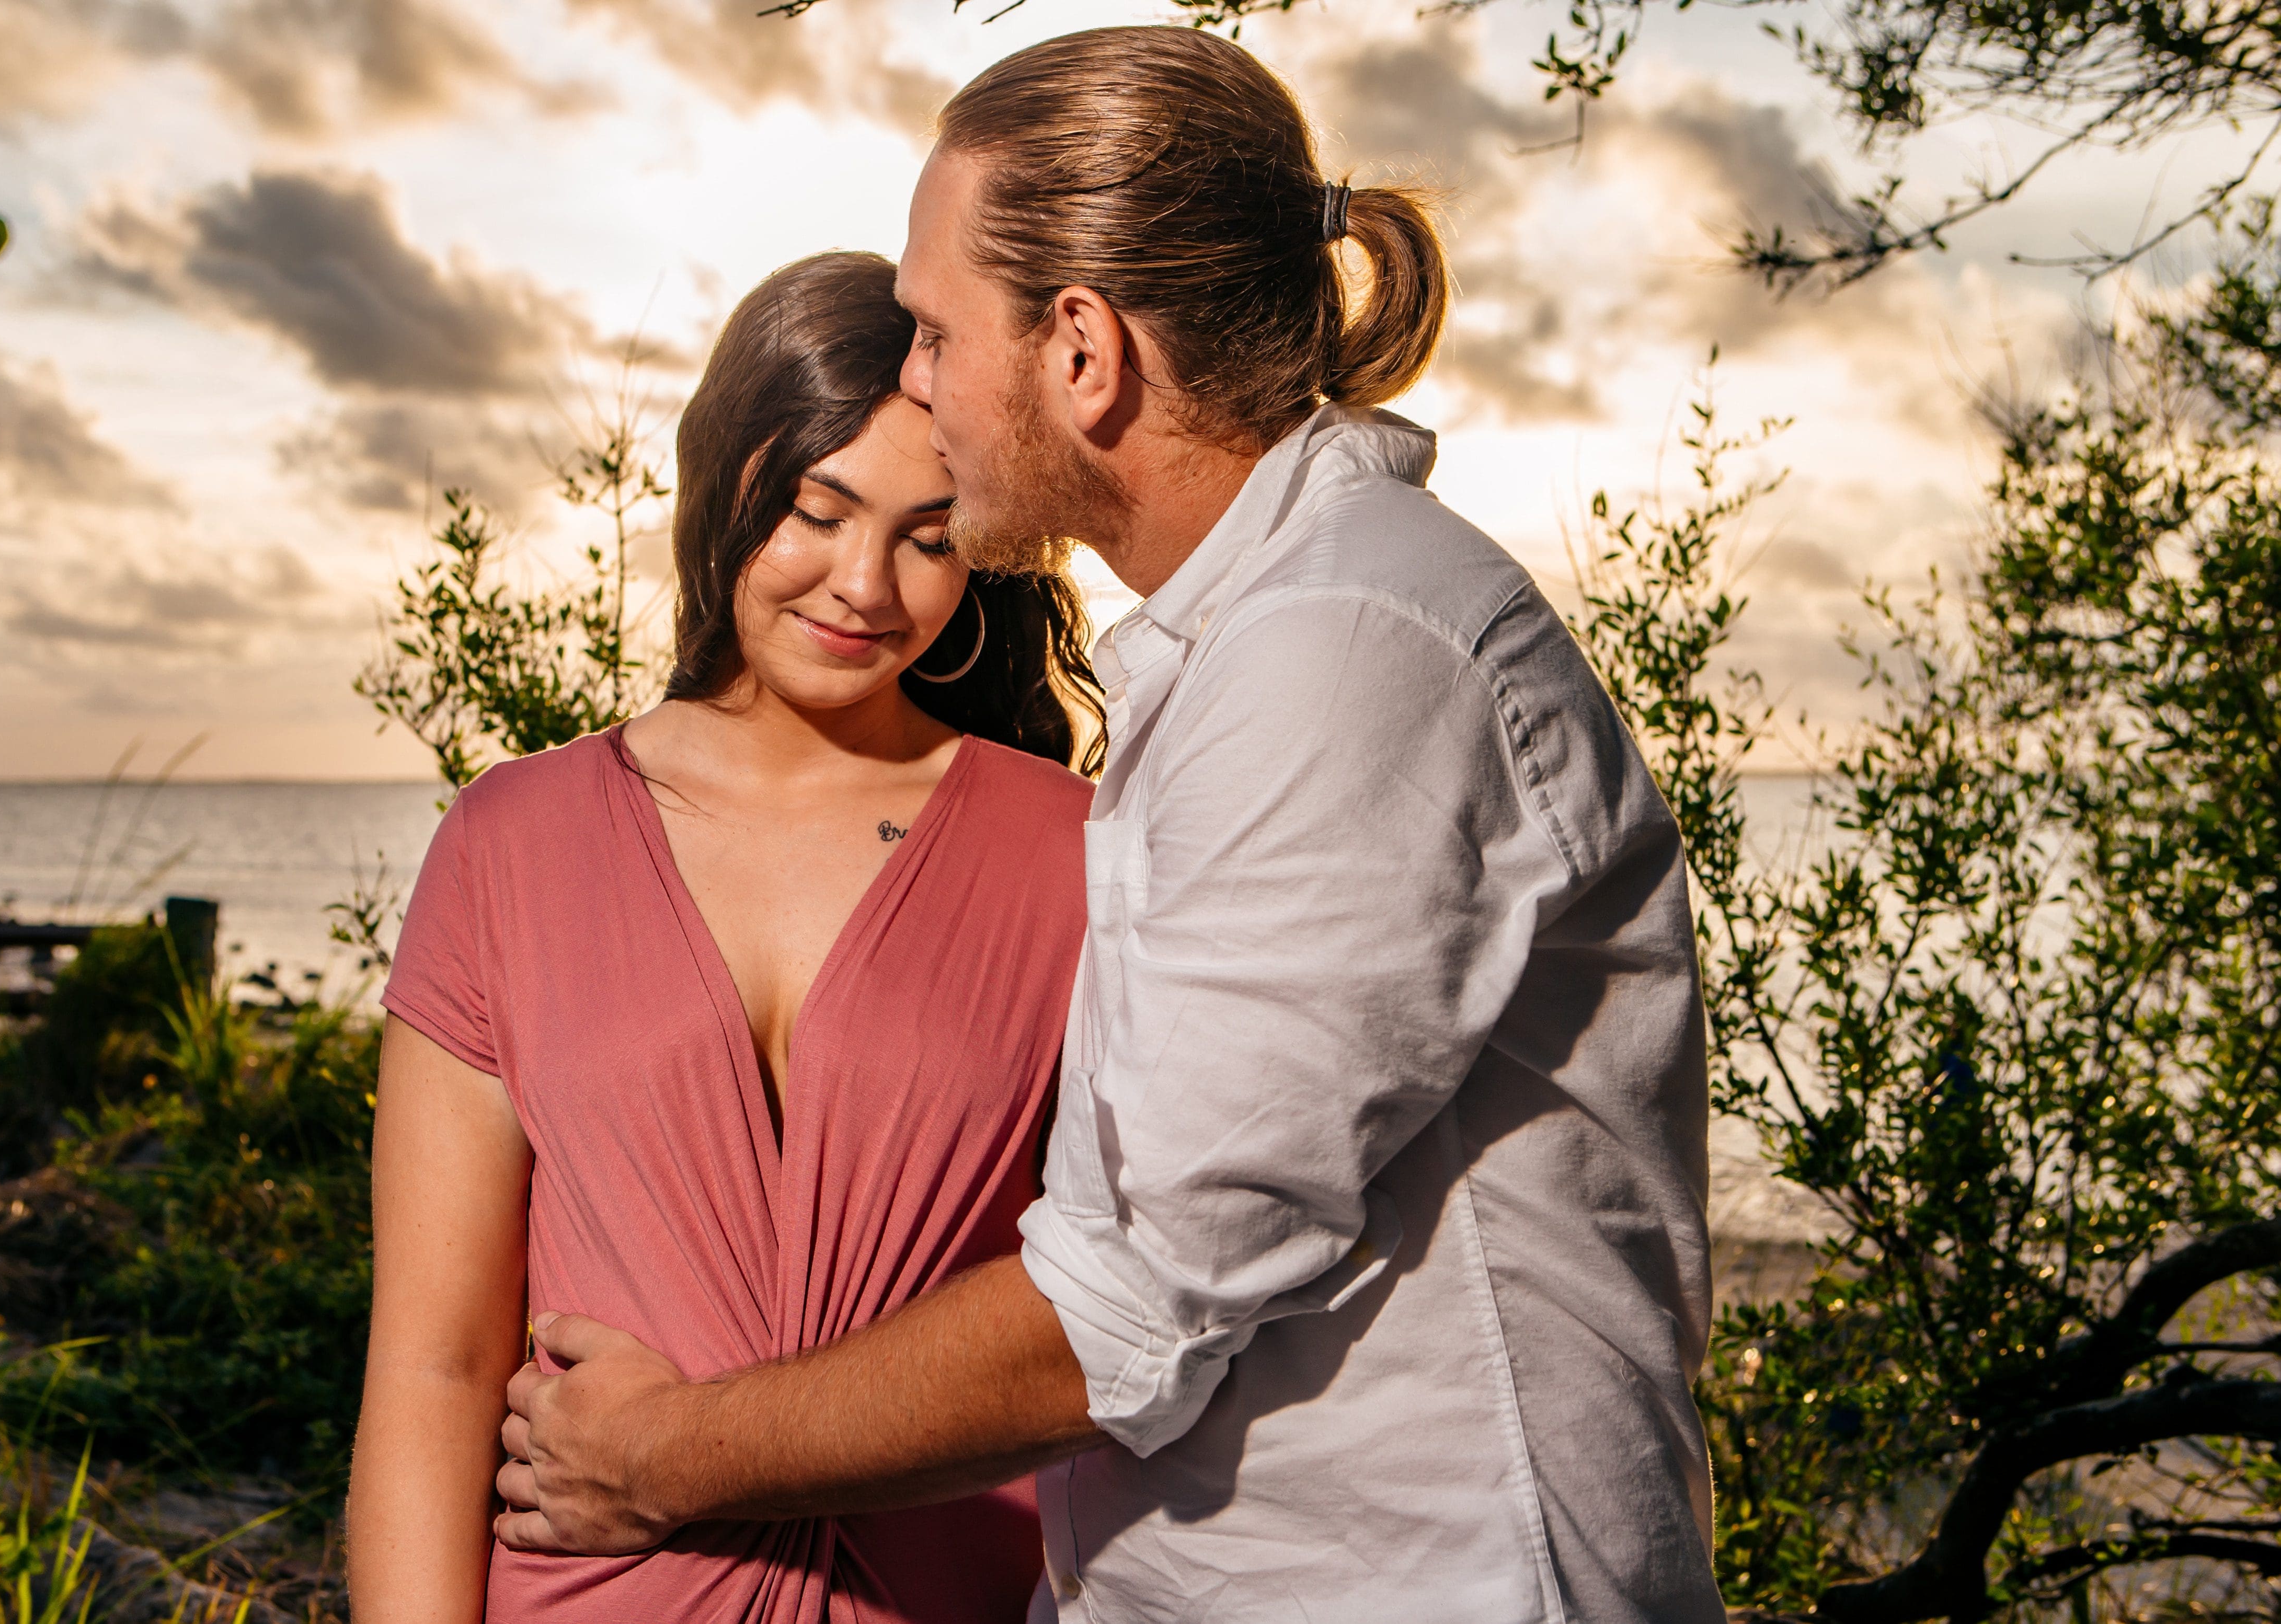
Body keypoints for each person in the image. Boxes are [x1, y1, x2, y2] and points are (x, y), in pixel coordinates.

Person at [494, 27, 1727, 1624]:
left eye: (937, 332)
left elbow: (1121, 1311)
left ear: (1081, 349)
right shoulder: (1250, 646)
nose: (917, 380)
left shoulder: (1341, 653)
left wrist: (669, 1453)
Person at [345, 250, 1106, 1624]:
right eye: (818, 509)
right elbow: (436, 1363)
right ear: (728, 480)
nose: (864, 584)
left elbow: (1127, 1311)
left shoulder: (1079, 852)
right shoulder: (513, 842)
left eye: (930, 534)